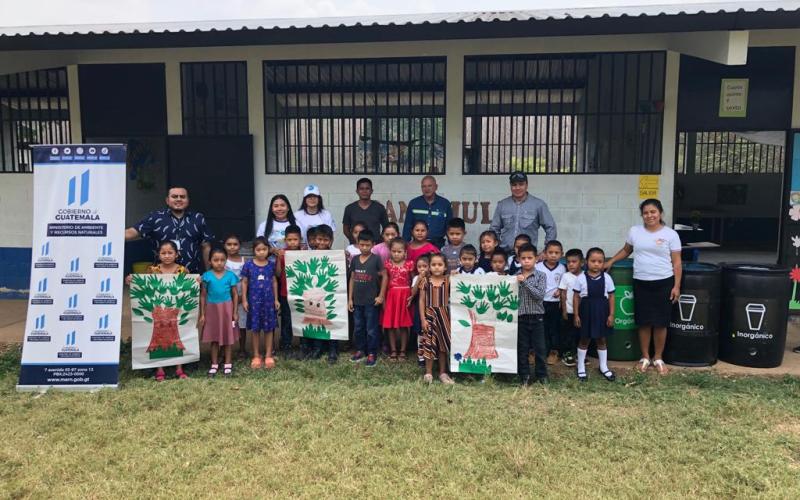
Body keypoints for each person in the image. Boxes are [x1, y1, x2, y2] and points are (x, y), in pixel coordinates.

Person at [605, 198, 682, 376]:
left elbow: (677, 263)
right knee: (644, 322)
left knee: (661, 323)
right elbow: (626, 250)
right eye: (646, 212)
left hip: (664, 281)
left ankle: (658, 358)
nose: (649, 215)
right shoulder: (635, 231)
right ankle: (645, 357)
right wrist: (611, 261)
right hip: (641, 281)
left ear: (660, 213)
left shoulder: (671, 235)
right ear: (642, 215)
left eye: (653, 212)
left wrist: (676, 286)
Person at [124, 240, 190, 381]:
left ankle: (179, 368)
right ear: (158, 255)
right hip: (158, 311)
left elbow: (189, 287)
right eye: (163, 253)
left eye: (170, 253)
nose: (167, 256)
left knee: (178, 336)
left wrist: (196, 281)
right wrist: (132, 279)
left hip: (174, 311)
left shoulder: (183, 270)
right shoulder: (152, 270)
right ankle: (160, 368)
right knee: (158, 337)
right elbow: (144, 285)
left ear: (176, 254)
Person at [125, 186, 214, 273]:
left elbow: (206, 246)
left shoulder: (198, 218)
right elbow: (131, 232)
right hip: (160, 275)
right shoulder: (155, 217)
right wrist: (112, 233)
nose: (179, 199)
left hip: (191, 276)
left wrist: (209, 273)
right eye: (174, 196)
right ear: (167, 200)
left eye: (182, 197)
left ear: (188, 200)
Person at [574, 247, 617, 382]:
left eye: (600, 261)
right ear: (587, 262)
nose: (596, 264)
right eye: (593, 261)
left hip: (602, 311)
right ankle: (581, 366)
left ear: (604, 263)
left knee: (601, 339)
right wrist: (576, 315)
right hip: (586, 311)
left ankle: (603, 366)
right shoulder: (581, 278)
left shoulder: (607, 278)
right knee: (584, 339)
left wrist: (611, 315)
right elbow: (576, 297)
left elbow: (611, 297)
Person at [490, 172, 557, 253]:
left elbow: (551, 228)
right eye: (514, 185)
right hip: (505, 254)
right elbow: (494, 229)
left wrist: (546, 251)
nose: (517, 188)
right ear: (510, 186)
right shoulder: (502, 205)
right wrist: (497, 247)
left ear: (527, 185)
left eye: (521, 184)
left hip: (528, 256)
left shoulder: (539, 205)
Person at [348, 229, 387, 367]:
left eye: (367, 245)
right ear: (358, 244)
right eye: (362, 245)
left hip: (371, 301)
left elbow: (385, 276)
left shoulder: (376, 259)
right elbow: (352, 278)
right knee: (358, 327)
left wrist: (381, 296)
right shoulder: (355, 259)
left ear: (373, 245)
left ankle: (372, 352)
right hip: (357, 301)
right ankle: (360, 350)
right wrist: (350, 299)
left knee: (371, 328)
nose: (364, 247)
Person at [240, 237, 280, 370]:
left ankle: (268, 354)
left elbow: (274, 282)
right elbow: (244, 282)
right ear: (254, 251)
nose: (261, 252)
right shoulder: (249, 265)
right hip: (254, 303)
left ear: (268, 250)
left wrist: (276, 299)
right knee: (255, 329)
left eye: (264, 249)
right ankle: (256, 355)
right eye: (258, 250)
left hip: (268, 302)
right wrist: (245, 300)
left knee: (269, 329)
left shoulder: (271, 265)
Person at [199, 248, 239, 377]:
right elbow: (203, 296)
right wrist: (203, 314)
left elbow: (235, 294)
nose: (219, 263)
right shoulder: (206, 276)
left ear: (226, 261)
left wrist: (235, 312)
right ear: (210, 261)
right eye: (216, 260)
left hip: (227, 309)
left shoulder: (230, 275)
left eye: (222, 260)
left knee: (228, 338)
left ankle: (228, 362)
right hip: (212, 310)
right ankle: (214, 363)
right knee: (214, 338)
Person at [418, 253, 454, 384]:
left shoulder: (449, 280)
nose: (437, 267)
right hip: (429, 315)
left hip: (444, 316)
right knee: (429, 343)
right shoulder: (425, 281)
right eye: (433, 265)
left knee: (443, 344)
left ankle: (443, 373)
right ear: (429, 267)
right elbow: (421, 301)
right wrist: (423, 319)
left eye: (440, 265)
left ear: (445, 267)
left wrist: (456, 275)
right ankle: (428, 373)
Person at [516, 243, 548, 386]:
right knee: (522, 349)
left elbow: (539, 296)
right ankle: (524, 375)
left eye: (530, 258)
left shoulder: (541, 276)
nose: (527, 261)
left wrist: (525, 283)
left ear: (536, 259)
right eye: (523, 258)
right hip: (521, 318)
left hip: (537, 318)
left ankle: (542, 375)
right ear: (519, 259)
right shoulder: (514, 276)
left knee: (540, 348)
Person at [382, 238, 415, 361]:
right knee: (390, 325)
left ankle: (403, 351)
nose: (396, 254)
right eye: (394, 251)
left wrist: (412, 295)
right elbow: (384, 281)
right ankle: (393, 350)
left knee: (403, 325)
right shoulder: (388, 264)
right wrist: (383, 299)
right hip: (392, 296)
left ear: (405, 252)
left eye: (399, 251)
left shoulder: (409, 264)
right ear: (390, 251)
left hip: (405, 296)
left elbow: (413, 281)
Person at [312, 224, 341, 363]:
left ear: (331, 240)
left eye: (325, 240)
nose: (322, 243)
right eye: (319, 239)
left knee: (331, 319)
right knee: (316, 318)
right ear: (314, 239)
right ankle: (318, 348)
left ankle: (333, 349)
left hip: (331, 294)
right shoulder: (309, 255)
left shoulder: (336, 256)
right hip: (314, 294)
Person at [536, 240, 565, 365]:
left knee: (554, 328)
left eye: (556, 253)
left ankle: (554, 352)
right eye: (550, 252)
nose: (553, 255)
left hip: (555, 303)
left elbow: (564, 284)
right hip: (540, 302)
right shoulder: (538, 267)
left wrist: (559, 290)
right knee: (541, 328)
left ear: (561, 254)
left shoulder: (562, 268)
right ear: (545, 253)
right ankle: (540, 352)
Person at [402, 175, 453, 247]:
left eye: (430, 186)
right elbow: (407, 226)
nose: (427, 189)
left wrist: (452, 247)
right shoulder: (414, 203)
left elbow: (449, 228)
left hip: (438, 245)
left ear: (436, 187)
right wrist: (405, 246)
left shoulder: (445, 204)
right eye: (424, 186)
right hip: (418, 245)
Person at [278, 225, 302, 358]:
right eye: (289, 240)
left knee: (303, 318)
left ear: (300, 239)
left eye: (295, 239)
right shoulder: (282, 254)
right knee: (287, 320)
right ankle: (286, 345)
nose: (292, 242)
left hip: (302, 293)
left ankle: (304, 345)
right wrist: (278, 258)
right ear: (285, 240)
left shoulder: (305, 253)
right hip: (285, 292)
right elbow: (277, 273)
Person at [558, 248, 584, 368]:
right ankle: (567, 354)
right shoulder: (566, 276)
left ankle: (579, 354)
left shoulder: (585, 276)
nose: (571, 264)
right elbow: (563, 294)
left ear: (582, 263)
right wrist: (564, 310)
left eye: (574, 261)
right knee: (568, 334)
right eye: (568, 262)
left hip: (582, 312)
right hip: (568, 311)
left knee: (580, 333)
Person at [223, 234, 248, 359]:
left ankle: (242, 349)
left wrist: (242, 297)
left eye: (235, 244)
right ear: (224, 246)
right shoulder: (222, 260)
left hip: (240, 294)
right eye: (229, 244)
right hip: (225, 295)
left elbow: (246, 280)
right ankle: (225, 349)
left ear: (240, 246)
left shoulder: (244, 261)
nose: (232, 247)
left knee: (241, 323)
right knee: (226, 323)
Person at [342, 178, 388, 244]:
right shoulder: (350, 208)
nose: (364, 191)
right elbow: (345, 229)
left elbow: (386, 227)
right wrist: (353, 241)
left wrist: (379, 241)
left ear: (372, 191)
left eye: (367, 188)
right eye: (361, 189)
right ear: (357, 191)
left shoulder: (380, 208)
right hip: (356, 247)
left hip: (375, 246)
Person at [410, 254, 430, 367]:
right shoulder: (415, 278)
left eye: (425, 266)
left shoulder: (433, 277)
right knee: (421, 333)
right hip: (420, 309)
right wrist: (419, 279)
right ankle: (421, 357)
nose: (422, 269)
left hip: (432, 308)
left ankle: (431, 354)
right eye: (419, 267)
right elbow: (412, 293)